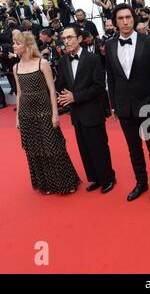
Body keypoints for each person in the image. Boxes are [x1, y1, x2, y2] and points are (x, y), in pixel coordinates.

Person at [105, 4, 150, 203]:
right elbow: (112, 77)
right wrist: (113, 104)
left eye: (128, 17)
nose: (124, 21)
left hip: (148, 104)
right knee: (133, 148)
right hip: (124, 107)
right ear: (115, 22)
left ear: (134, 19)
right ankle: (141, 182)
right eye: (120, 18)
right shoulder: (110, 45)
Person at [12, 31, 80, 195]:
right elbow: (19, 93)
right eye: (14, 42)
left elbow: (51, 90)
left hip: (44, 111)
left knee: (53, 146)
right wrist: (17, 117)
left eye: (17, 43)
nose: (14, 45)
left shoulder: (42, 63)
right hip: (26, 114)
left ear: (28, 46)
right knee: (35, 149)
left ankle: (66, 182)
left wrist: (55, 114)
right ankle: (46, 184)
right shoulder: (16, 67)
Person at [57, 26, 116, 194]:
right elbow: (61, 84)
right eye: (64, 38)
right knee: (85, 148)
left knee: (99, 147)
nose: (66, 41)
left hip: (92, 110)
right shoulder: (63, 61)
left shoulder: (92, 59)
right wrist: (61, 95)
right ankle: (96, 178)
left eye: (70, 37)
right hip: (76, 114)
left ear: (80, 39)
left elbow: (98, 86)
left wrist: (75, 96)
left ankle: (108, 178)